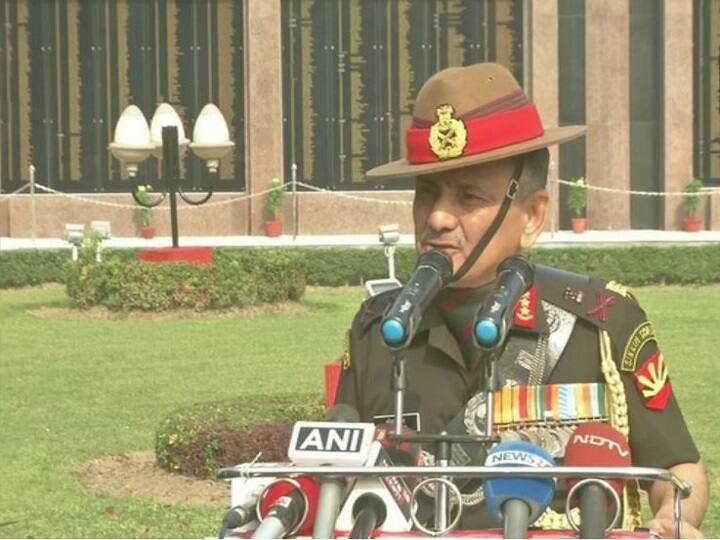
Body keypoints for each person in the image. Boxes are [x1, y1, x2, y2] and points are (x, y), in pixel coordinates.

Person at [335, 63, 708, 537]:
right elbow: (335, 474)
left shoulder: (599, 324)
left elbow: (678, 467)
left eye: (469, 197)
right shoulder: (379, 329)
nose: (439, 218)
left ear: (532, 216)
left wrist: (673, 520)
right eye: (427, 194)